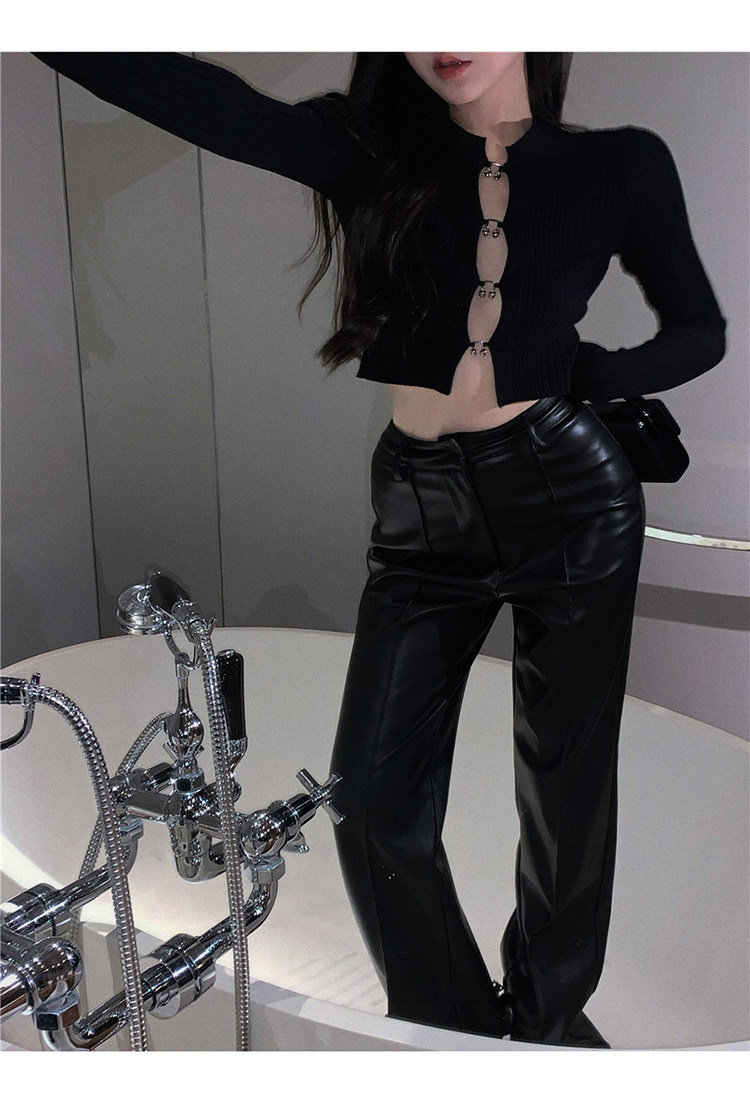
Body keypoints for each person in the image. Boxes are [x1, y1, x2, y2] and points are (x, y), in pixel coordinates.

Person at [32, 51, 726, 1047]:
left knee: (565, 791)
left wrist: (593, 370)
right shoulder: (370, 152)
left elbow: (700, 330)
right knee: (370, 803)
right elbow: (194, 98)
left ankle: (546, 1031)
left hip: (568, 496)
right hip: (421, 510)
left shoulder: (618, 163)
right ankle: (458, 1038)